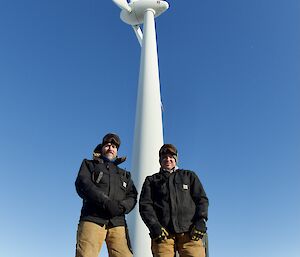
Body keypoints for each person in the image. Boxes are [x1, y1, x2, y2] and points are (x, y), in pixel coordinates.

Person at [139, 144, 209, 257]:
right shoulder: (151, 180)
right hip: (163, 234)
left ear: (176, 159)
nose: (168, 159)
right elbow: (145, 206)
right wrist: (154, 226)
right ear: (160, 160)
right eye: (164, 157)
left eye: (171, 157)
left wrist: (201, 220)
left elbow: (201, 200)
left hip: (189, 232)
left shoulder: (189, 176)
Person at [75, 133, 137, 257]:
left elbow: (132, 195)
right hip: (93, 218)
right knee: (86, 254)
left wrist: (122, 207)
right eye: (107, 145)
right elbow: (84, 184)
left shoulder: (124, 174)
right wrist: (106, 202)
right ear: (102, 148)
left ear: (117, 151)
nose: (110, 148)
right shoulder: (89, 165)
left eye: (114, 147)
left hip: (117, 222)